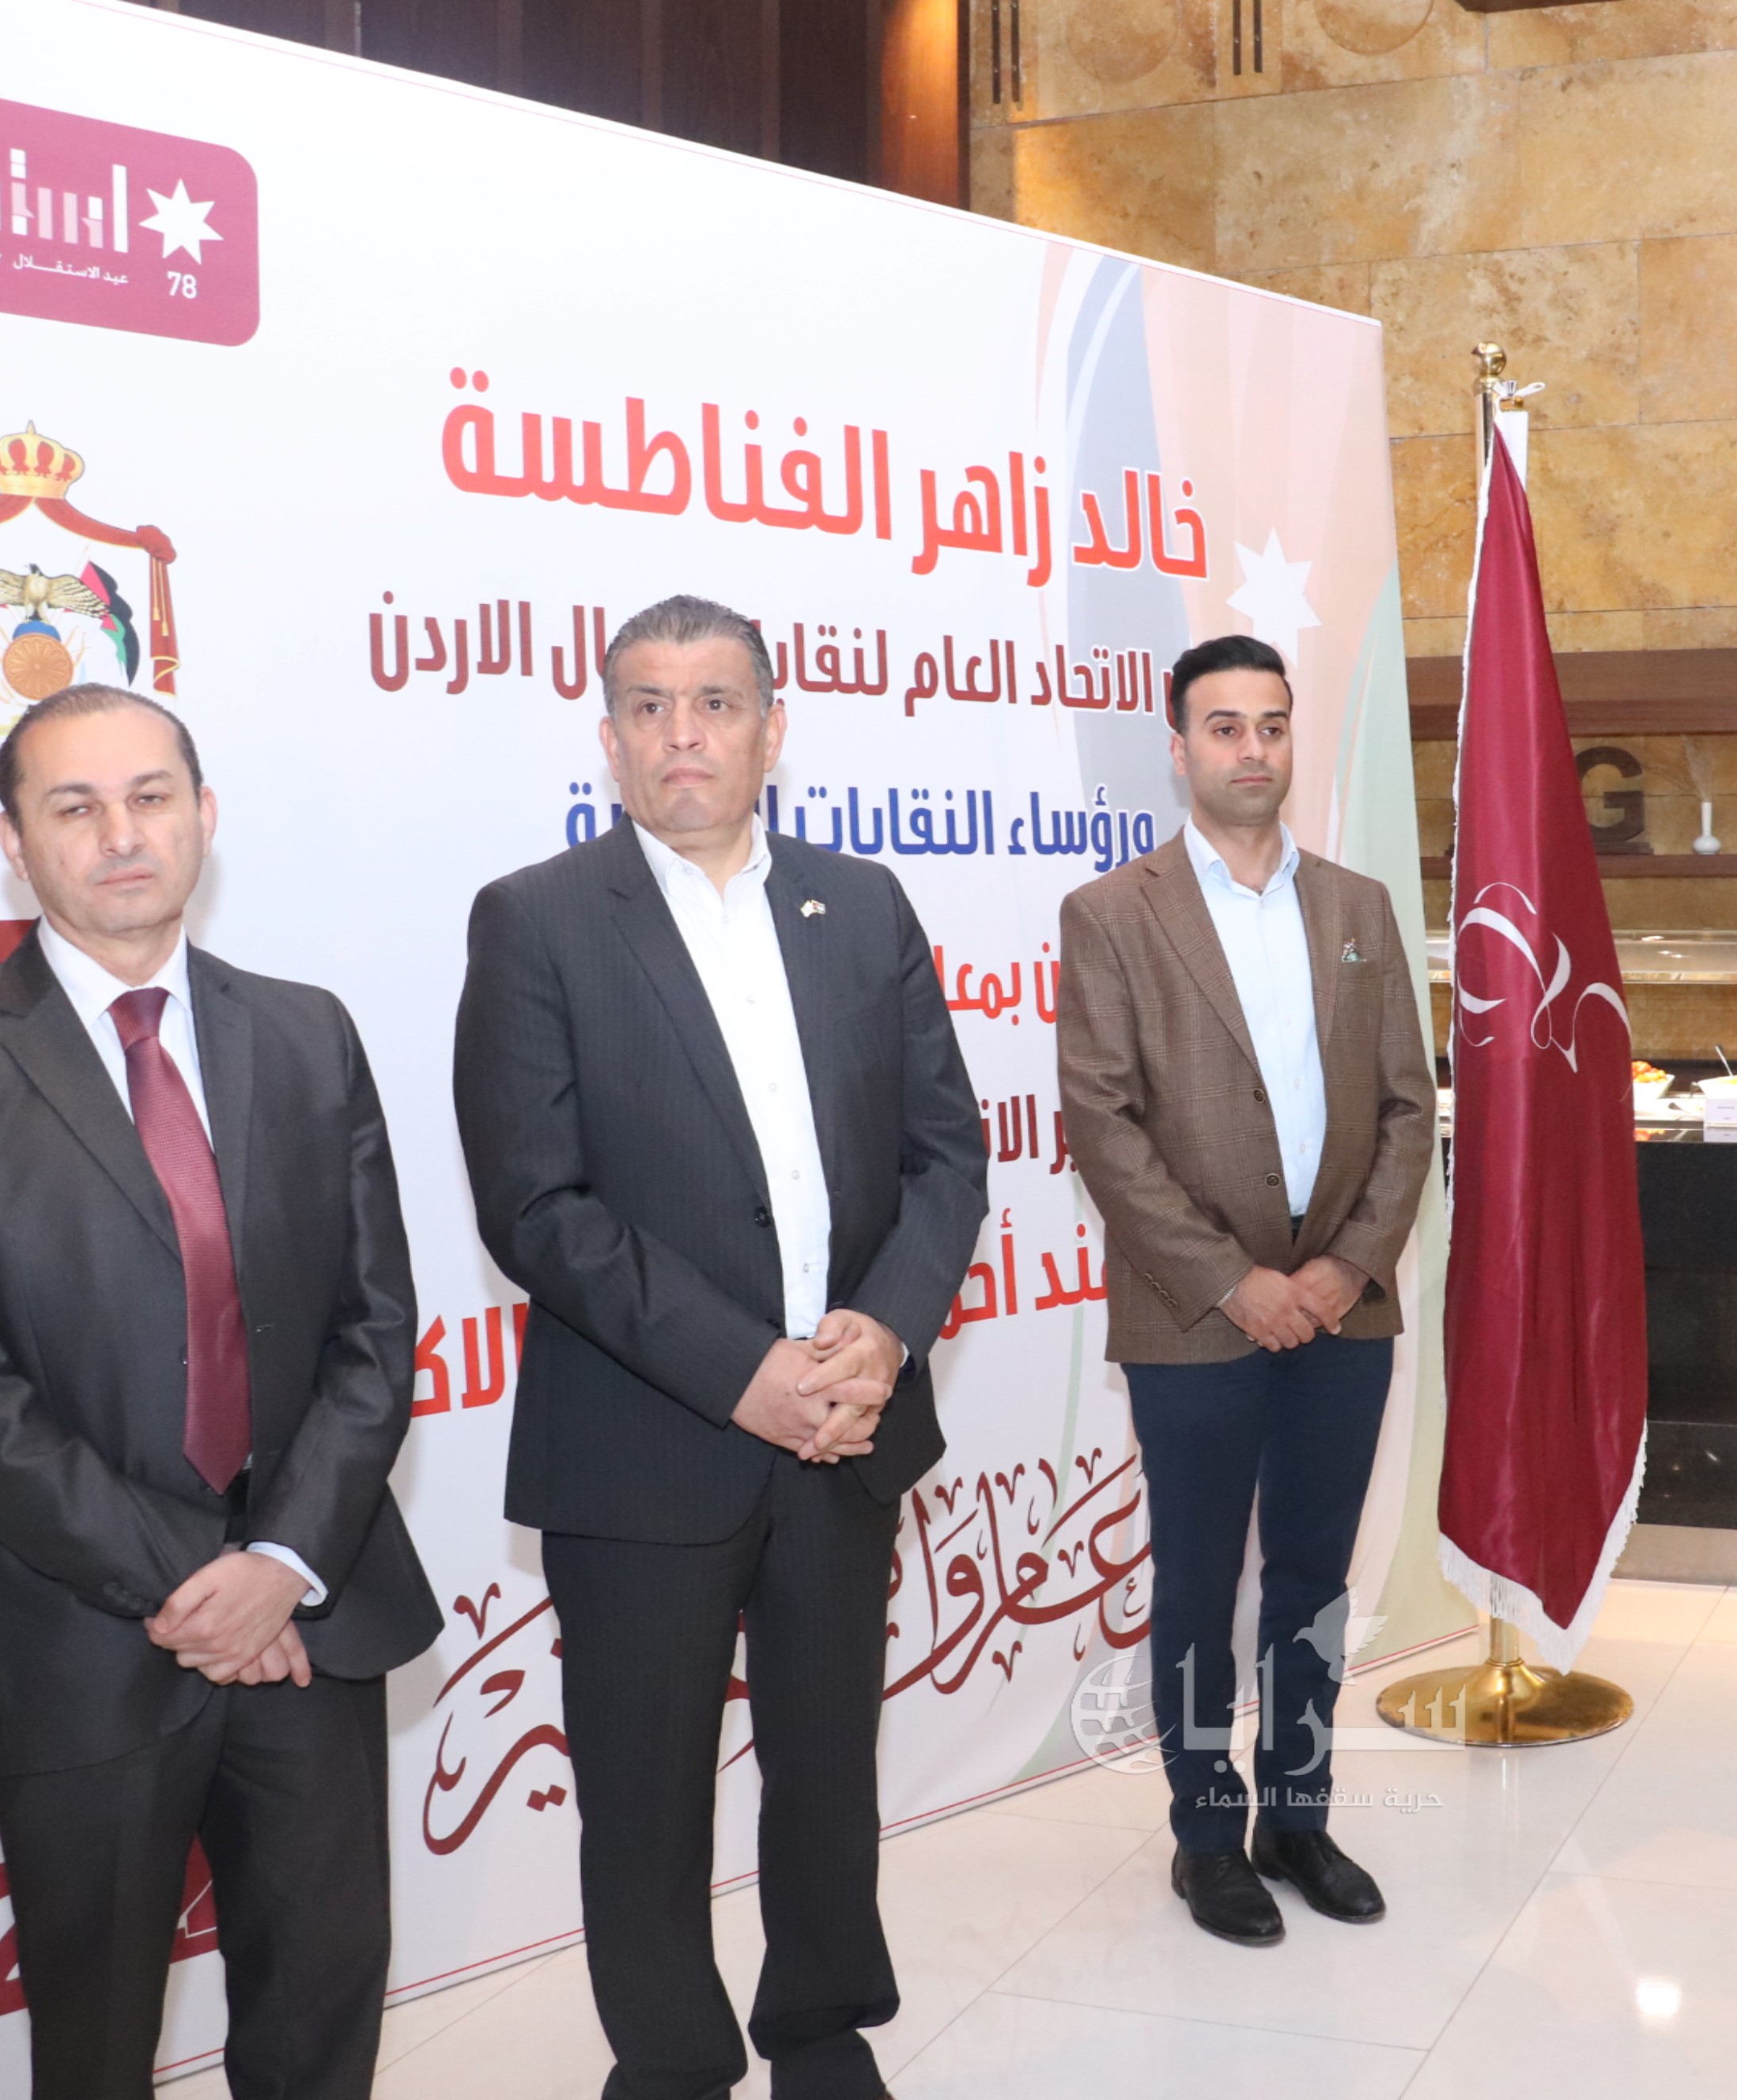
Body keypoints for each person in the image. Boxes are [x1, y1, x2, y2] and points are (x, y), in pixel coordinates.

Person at [0, 684, 438, 2100]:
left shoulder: (309, 1033)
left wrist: (279, 1566)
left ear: (203, 817)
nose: (122, 834)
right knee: (96, 2048)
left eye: (151, 797)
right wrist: (199, 1585)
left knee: (322, 2022)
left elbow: (374, 1329)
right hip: (81, 1640)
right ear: (15, 841)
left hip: (312, 1618)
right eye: (76, 806)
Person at [453, 595, 987, 2100]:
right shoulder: (537, 919)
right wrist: (743, 1371)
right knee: (642, 1798)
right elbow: (533, 1204)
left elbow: (947, 1155)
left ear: (772, 729)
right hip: (644, 1446)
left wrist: (885, 1330)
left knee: (826, 1769)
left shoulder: (861, 904)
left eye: (715, 703)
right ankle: (674, 2063)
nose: (682, 734)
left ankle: (821, 2030)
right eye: (649, 705)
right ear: (609, 736)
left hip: (848, 1432)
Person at [1055, 633, 1435, 1947]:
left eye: (1271, 725)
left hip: (1345, 1311)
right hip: (1192, 1317)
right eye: (1224, 728)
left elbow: (1409, 1109)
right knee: (1201, 1581)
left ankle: (1299, 1819)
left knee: (1314, 1581)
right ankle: (1208, 1837)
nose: (1252, 750)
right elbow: (1103, 1128)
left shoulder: (1359, 908)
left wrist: (1342, 1269)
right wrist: (1235, 1283)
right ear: (1179, 749)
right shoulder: (1113, 914)